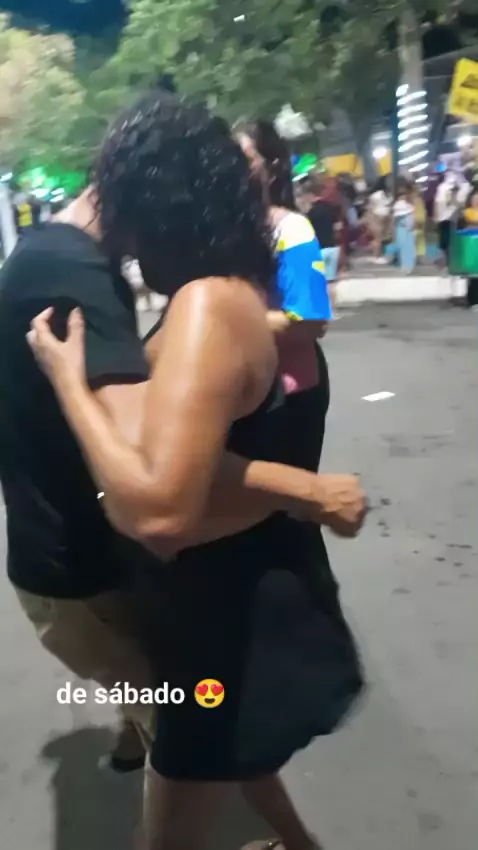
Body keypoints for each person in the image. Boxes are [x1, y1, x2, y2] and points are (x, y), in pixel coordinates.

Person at [27, 91, 366, 850]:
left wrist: (70, 383)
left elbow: (158, 511)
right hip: (221, 609)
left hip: (223, 619)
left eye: (128, 216)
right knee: (213, 763)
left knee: (181, 801)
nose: (124, 243)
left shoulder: (214, 301)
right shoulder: (225, 287)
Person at [234, 119, 332, 470]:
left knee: (288, 497)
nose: (232, 169)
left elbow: (310, 321)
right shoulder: (218, 232)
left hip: (287, 396)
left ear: (272, 168)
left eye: (244, 159)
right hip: (235, 396)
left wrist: (225, 322)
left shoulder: (291, 229)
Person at [305, 173, 342, 292]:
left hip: (318, 249)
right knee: (331, 282)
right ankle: (332, 301)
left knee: (319, 282)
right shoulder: (331, 208)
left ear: (311, 195)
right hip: (332, 247)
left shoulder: (311, 213)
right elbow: (338, 228)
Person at [459, 187, 478, 308]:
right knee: (473, 275)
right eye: (475, 199)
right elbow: (468, 222)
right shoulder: (466, 213)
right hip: (471, 245)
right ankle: (473, 300)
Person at [393, 182, 416, 274]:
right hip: (401, 223)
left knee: (408, 245)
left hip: (407, 219)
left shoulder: (410, 201)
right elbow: (395, 216)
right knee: (402, 245)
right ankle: (405, 265)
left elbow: (412, 213)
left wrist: (411, 223)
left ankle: (408, 265)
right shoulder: (399, 203)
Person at [367, 177, 392, 264]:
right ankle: (380, 255)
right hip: (384, 215)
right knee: (382, 237)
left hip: (378, 215)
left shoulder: (375, 195)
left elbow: (371, 207)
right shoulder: (386, 194)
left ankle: (377, 255)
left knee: (378, 237)